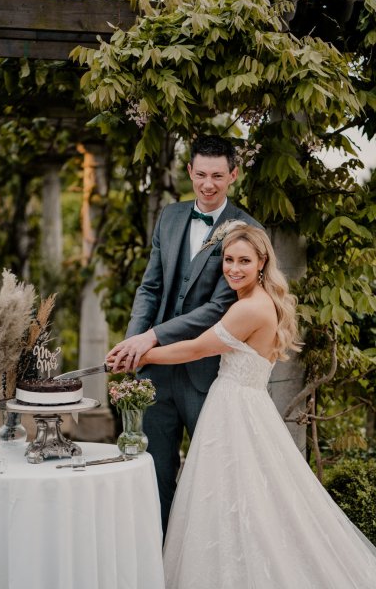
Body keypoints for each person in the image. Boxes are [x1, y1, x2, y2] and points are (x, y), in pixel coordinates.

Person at [114, 222, 376, 589]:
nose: (233, 268)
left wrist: (140, 353)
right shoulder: (257, 300)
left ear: (262, 262)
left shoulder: (249, 308)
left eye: (244, 261)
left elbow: (196, 348)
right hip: (243, 404)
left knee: (236, 499)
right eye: (228, 259)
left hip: (235, 410)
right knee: (240, 499)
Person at [107, 135, 262, 533]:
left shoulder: (247, 231)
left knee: (213, 478)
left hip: (206, 374)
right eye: (200, 174)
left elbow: (218, 308)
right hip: (154, 373)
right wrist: (131, 342)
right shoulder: (170, 216)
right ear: (189, 172)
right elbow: (150, 288)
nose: (208, 184)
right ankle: (157, 562)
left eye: (217, 176)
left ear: (233, 175)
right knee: (153, 472)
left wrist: (151, 338)